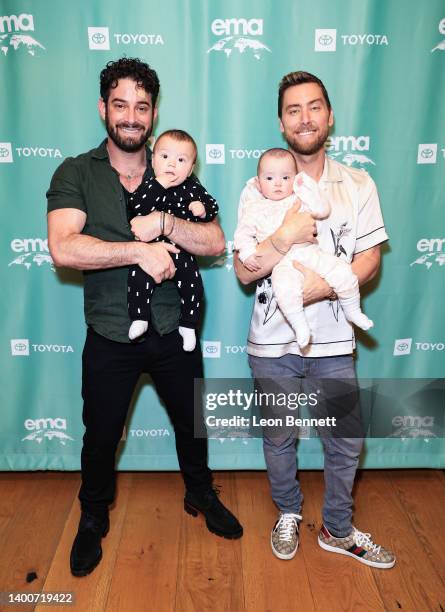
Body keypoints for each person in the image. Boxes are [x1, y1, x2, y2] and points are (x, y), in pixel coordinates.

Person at [47, 57, 242, 578]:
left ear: (153, 114)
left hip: (176, 329)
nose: (131, 116)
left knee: (192, 426)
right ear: (103, 108)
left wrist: (166, 223)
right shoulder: (76, 171)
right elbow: (64, 247)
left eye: (141, 106)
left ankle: (201, 494)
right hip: (112, 331)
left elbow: (215, 241)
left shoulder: (175, 169)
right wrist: (136, 249)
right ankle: (92, 517)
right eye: (120, 105)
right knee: (101, 434)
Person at [234, 71, 395, 568]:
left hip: (332, 342)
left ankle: (338, 529)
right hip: (272, 343)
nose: (304, 118)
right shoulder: (256, 187)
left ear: (329, 116)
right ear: (282, 123)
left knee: (346, 439)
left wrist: (320, 288)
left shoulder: (357, 183)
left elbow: (369, 258)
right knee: (279, 436)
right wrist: (284, 235)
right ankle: (287, 512)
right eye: (293, 110)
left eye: (313, 107)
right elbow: (244, 270)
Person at [234, 147, 373, 348]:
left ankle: (353, 311)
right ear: (258, 182)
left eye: (286, 177)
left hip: (311, 253)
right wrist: (247, 253)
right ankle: (300, 326)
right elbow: (242, 235)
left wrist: (307, 186)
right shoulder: (254, 207)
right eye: (270, 178)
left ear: (295, 178)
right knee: (284, 290)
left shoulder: (299, 198)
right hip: (283, 264)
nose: (278, 184)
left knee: (342, 271)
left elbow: (322, 209)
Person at [127, 129, 218, 349]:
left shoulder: (193, 187)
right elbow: (136, 206)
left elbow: (213, 206)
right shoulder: (149, 185)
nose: (171, 164)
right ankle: (140, 318)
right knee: (138, 279)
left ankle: (188, 325)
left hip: (182, 252)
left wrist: (203, 210)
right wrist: (160, 185)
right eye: (165, 157)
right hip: (150, 249)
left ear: (190, 169)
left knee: (194, 288)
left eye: (181, 160)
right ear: (153, 160)